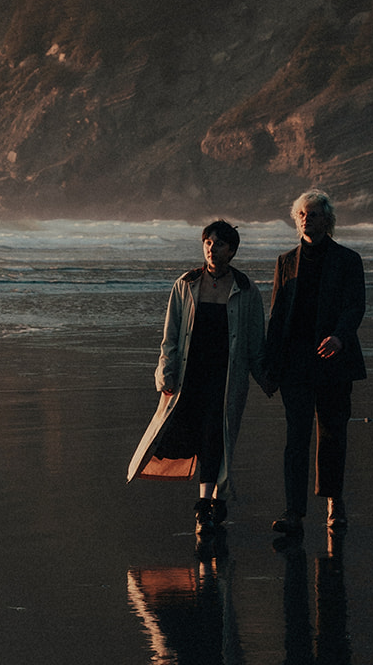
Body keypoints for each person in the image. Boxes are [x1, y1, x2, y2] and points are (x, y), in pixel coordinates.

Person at [128, 219, 267, 537]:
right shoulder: (186, 284)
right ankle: (211, 504)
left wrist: (267, 378)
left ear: (232, 250)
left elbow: (256, 341)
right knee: (192, 434)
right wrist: (165, 373)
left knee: (216, 436)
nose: (211, 248)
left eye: (219, 244)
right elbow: (171, 336)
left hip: (228, 377)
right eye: (207, 242)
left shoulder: (245, 290)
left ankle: (207, 504)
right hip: (192, 376)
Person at [263, 189, 366, 539]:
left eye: (314, 214)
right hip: (295, 362)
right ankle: (293, 511)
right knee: (296, 437)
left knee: (333, 434)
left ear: (328, 220)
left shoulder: (348, 260)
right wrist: (269, 364)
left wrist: (340, 336)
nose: (307, 219)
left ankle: (334, 504)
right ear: (297, 220)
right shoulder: (285, 261)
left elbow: (355, 307)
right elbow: (277, 315)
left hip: (334, 360)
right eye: (302, 214)